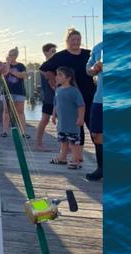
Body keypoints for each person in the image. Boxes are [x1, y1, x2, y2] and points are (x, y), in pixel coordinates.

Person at [40, 28, 95, 162]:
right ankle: (78, 157)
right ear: (67, 41)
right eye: (72, 39)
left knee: (94, 126)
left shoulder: (89, 54)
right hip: (70, 98)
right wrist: (52, 80)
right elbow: (43, 68)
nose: (75, 42)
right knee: (76, 128)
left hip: (89, 95)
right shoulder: (60, 56)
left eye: (78, 39)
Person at [50, 66, 85, 169]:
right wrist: (53, 114)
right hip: (62, 123)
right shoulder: (58, 90)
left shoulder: (74, 91)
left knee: (74, 143)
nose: (57, 77)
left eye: (60, 75)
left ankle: (76, 160)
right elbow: (55, 104)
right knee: (63, 141)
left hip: (72, 124)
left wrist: (81, 118)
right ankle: (62, 158)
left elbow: (81, 105)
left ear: (68, 78)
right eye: (57, 74)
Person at [85, 41, 103, 181]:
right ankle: (101, 168)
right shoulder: (98, 47)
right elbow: (88, 70)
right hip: (99, 98)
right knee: (96, 134)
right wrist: (94, 69)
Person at [0, 47, 28, 138]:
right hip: (6, 91)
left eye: (12, 55)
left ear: (16, 56)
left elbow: (23, 75)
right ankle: (5, 131)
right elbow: (3, 74)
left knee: (20, 112)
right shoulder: (4, 65)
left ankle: (23, 132)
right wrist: (8, 65)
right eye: (9, 55)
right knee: (6, 111)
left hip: (19, 92)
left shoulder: (21, 66)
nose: (10, 56)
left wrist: (12, 72)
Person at [35, 43, 57, 150]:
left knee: (62, 121)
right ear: (45, 52)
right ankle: (38, 143)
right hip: (49, 98)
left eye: (55, 51)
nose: (55, 53)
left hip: (58, 98)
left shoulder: (56, 65)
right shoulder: (45, 66)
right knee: (44, 120)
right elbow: (52, 82)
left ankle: (66, 146)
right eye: (52, 51)